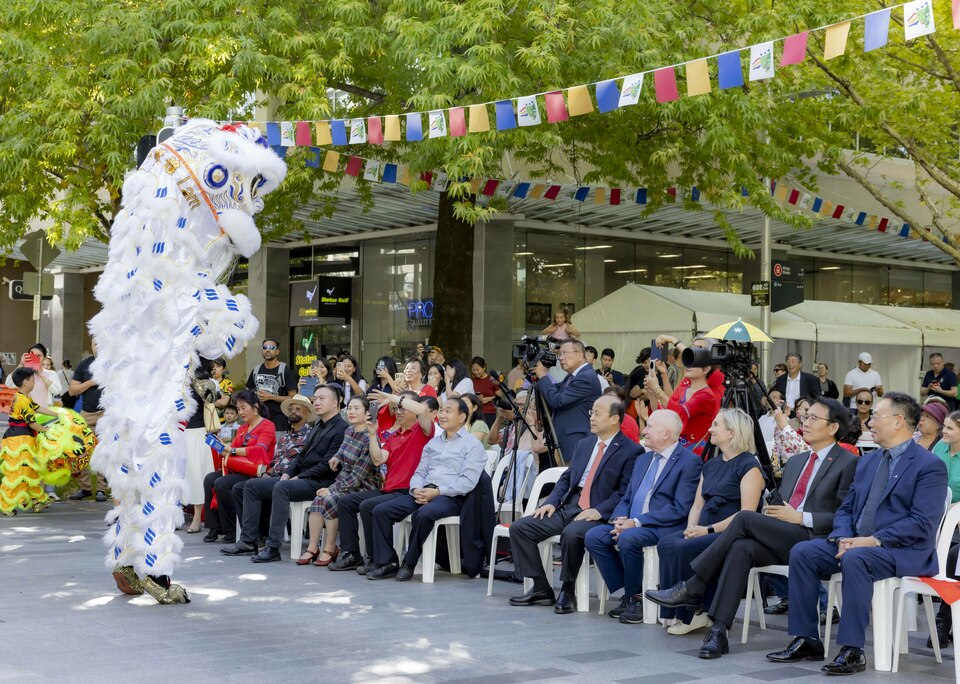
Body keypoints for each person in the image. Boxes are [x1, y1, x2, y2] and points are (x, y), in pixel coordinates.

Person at [647, 398, 858, 658]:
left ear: (833, 427)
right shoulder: (796, 461)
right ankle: (719, 631)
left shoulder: (848, 462)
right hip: (782, 534)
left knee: (745, 517)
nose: (805, 422)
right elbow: (781, 503)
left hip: (815, 538)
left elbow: (846, 515)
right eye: (805, 416)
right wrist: (775, 511)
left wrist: (801, 517)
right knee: (741, 547)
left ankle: (694, 587)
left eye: (813, 418)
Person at [766, 392, 947, 675]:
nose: (870, 422)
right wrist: (841, 537)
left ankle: (852, 650)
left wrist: (873, 540)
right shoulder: (868, 461)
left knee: (857, 559)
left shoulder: (929, 465)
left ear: (898, 421)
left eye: (876, 416)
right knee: (803, 552)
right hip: (856, 545)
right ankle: (807, 639)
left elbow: (922, 522)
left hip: (900, 550)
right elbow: (847, 508)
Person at [507, 395, 642, 613]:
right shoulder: (585, 444)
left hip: (598, 512)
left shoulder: (631, 450)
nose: (592, 417)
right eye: (591, 412)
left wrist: (598, 511)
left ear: (614, 419)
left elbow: (625, 491)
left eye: (597, 413)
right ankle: (541, 588)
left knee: (572, 534)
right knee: (520, 528)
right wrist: (552, 502)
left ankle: (568, 589)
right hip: (570, 505)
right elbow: (567, 477)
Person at [653, 408, 765, 635]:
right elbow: (698, 504)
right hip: (703, 528)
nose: (710, 429)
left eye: (715, 425)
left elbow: (746, 513)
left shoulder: (749, 466)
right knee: (667, 542)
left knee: (684, 547)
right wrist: (691, 528)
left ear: (732, 432)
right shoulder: (711, 464)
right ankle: (675, 609)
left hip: (730, 531)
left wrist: (707, 530)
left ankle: (694, 613)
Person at [585, 409, 702, 623]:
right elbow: (627, 497)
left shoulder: (689, 462)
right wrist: (620, 519)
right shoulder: (643, 459)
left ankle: (636, 598)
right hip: (632, 523)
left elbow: (679, 508)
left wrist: (637, 522)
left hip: (662, 527)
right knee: (594, 536)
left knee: (629, 539)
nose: (644, 431)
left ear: (666, 433)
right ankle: (630, 591)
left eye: (649, 426)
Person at [366, 396, 487, 580]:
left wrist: (437, 492)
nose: (442, 415)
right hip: (424, 492)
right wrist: (416, 489)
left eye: (448, 411)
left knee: (423, 514)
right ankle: (388, 562)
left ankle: (409, 562)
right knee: (381, 511)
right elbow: (420, 472)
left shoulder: (472, 445)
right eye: (441, 411)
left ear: (462, 417)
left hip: (451, 497)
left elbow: (467, 482)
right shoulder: (433, 443)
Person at [221, 385, 347, 562]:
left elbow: (327, 465)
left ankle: (273, 547)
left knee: (282, 487)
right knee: (249, 486)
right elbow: (300, 457)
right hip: (302, 478)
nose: (317, 402)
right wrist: (288, 474)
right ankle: (249, 541)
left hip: (321, 482)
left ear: (335, 402)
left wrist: (298, 477)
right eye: (315, 398)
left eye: (322, 399)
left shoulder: (341, 428)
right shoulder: (319, 426)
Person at [328, 391, 437, 573]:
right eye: (396, 409)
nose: (398, 411)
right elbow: (378, 460)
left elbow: (423, 411)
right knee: (346, 502)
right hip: (390, 490)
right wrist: (372, 435)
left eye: (403, 408)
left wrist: (394, 398)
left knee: (369, 507)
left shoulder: (423, 431)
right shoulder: (392, 436)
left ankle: (381, 560)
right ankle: (353, 554)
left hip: (411, 491)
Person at [299, 396, 382, 566]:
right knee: (318, 499)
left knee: (329, 499)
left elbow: (358, 476)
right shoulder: (349, 431)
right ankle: (313, 547)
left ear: (367, 413)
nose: (351, 412)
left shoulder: (369, 438)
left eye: (357, 408)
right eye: (349, 408)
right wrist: (337, 456)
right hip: (346, 480)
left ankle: (330, 547)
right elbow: (343, 449)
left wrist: (333, 489)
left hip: (365, 485)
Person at [201, 390, 278, 544]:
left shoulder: (267, 425)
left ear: (255, 407)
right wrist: (218, 445)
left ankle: (231, 529)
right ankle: (215, 527)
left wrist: (232, 450)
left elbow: (260, 449)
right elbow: (229, 451)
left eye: (243, 408)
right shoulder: (243, 428)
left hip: (255, 470)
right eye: (239, 409)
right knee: (209, 479)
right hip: (239, 467)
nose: (241, 412)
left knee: (222, 483)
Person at [532, 339, 602, 464]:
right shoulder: (573, 376)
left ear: (580, 355)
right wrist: (535, 375)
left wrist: (543, 376)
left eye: (564, 353)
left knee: (573, 476)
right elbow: (553, 390)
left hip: (576, 442)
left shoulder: (586, 377)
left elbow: (558, 400)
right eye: (560, 354)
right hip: (566, 442)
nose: (560, 358)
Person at [0, 368, 59, 514]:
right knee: (18, 473)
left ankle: (37, 500)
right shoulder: (23, 400)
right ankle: (5, 505)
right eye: (33, 380)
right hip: (19, 440)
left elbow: (38, 408)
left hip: (21, 438)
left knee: (30, 471)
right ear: (26, 382)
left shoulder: (21, 396)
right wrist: (47, 430)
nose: (34, 383)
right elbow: (33, 424)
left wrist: (58, 414)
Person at [646, 345, 721, 458]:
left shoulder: (706, 395)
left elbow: (678, 412)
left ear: (706, 369)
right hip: (676, 449)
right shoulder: (685, 386)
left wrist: (656, 388)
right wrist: (653, 393)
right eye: (687, 362)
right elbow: (666, 412)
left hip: (694, 453)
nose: (688, 366)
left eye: (693, 363)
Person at [928, 409, 960, 648]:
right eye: (944, 427)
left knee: (954, 553)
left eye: (950, 428)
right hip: (934, 516)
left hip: (956, 519)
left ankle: (943, 620)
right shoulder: (940, 447)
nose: (944, 432)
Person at [181, 360, 220, 533]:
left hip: (196, 431)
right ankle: (175, 514)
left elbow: (213, 398)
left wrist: (201, 382)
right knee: (177, 475)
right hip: (175, 432)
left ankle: (197, 517)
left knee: (196, 474)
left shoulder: (201, 380)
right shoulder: (171, 380)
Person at [67, 339, 107, 502]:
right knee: (81, 448)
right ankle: (85, 488)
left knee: (103, 451)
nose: (97, 346)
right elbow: (72, 391)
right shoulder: (84, 365)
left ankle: (102, 489)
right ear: (91, 346)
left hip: (107, 414)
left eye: (100, 343)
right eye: (94, 344)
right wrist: (91, 382)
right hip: (86, 413)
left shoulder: (114, 363)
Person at [245, 337, 298, 434]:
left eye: (271, 347)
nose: (268, 350)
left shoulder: (284, 370)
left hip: (279, 421)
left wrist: (271, 397)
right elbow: (247, 394)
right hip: (258, 420)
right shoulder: (256, 370)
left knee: (277, 444)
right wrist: (255, 398)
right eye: (265, 347)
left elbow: (293, 397)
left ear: (277, 352)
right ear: (262, 351)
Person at [470, 357, 498, 427]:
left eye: (477, 370)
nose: (476, 372)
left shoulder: (492, 380)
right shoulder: (471, 381)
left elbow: (499, 397)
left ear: (484, 368)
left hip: (490, 413)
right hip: (476, 413)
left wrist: (488, 399)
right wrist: (476, 398)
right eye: (473, 370)